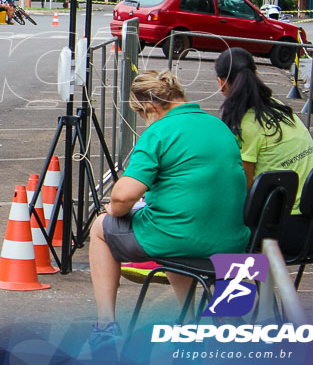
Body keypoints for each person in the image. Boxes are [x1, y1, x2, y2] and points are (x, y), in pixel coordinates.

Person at [87, 70, 250, 356]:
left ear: (150, 108)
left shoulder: (159, 132)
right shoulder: (219, 126)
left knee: (101, 228)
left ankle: (106, 325)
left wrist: (112, 209)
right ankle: (193, 322)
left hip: (178, 237)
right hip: (232, 242)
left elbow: (123, 195)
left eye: (141, 114)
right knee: (178, 221)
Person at [215, 47, 313, 255]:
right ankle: (257, 287)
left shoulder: (247, 123)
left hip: (280, 229)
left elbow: (240, 188)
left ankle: (231, 287)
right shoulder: (278, 108)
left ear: (221, 83)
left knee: (213, 231)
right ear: (256, 74)